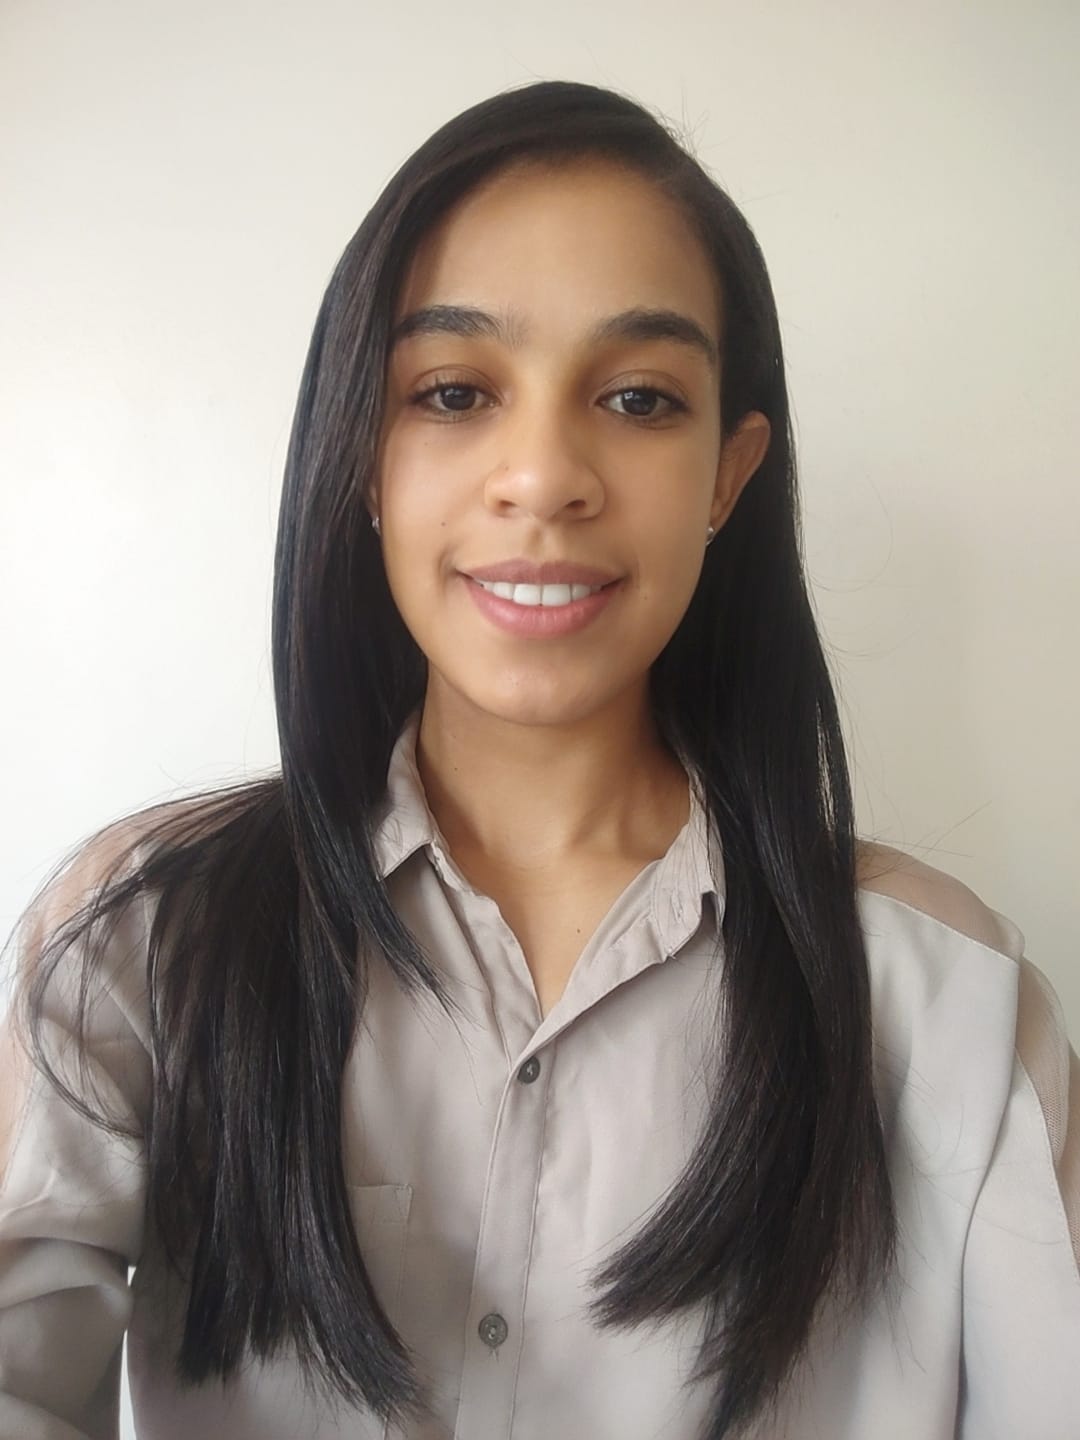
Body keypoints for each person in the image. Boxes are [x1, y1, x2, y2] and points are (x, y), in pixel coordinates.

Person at [0, 79, 1076, 1440]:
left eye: (637, 398)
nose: (543, 475)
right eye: (453, 392)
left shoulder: (949, 1003)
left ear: (728, 475)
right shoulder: (142, 936)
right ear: (363, 455)